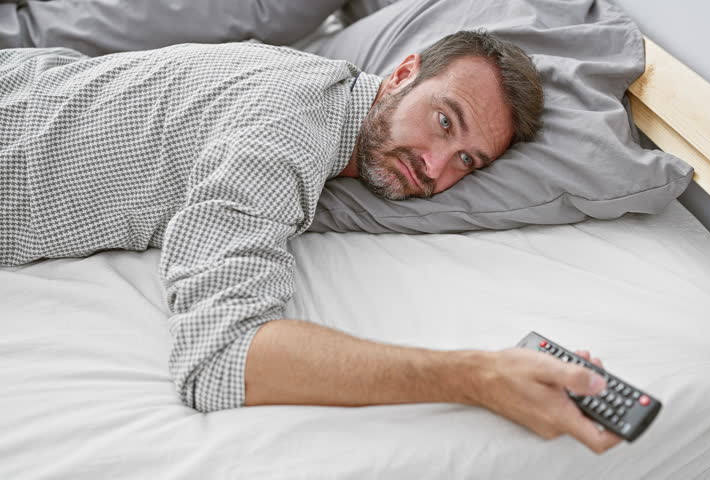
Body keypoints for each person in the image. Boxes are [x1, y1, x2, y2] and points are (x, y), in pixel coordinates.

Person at [0, 30, 621, 453]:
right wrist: (478, 376)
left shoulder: (317, 86)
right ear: (403, 73)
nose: (435, 168)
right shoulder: (293, 129)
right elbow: (220, 360)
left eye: (466, 160)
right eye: (442, 120)